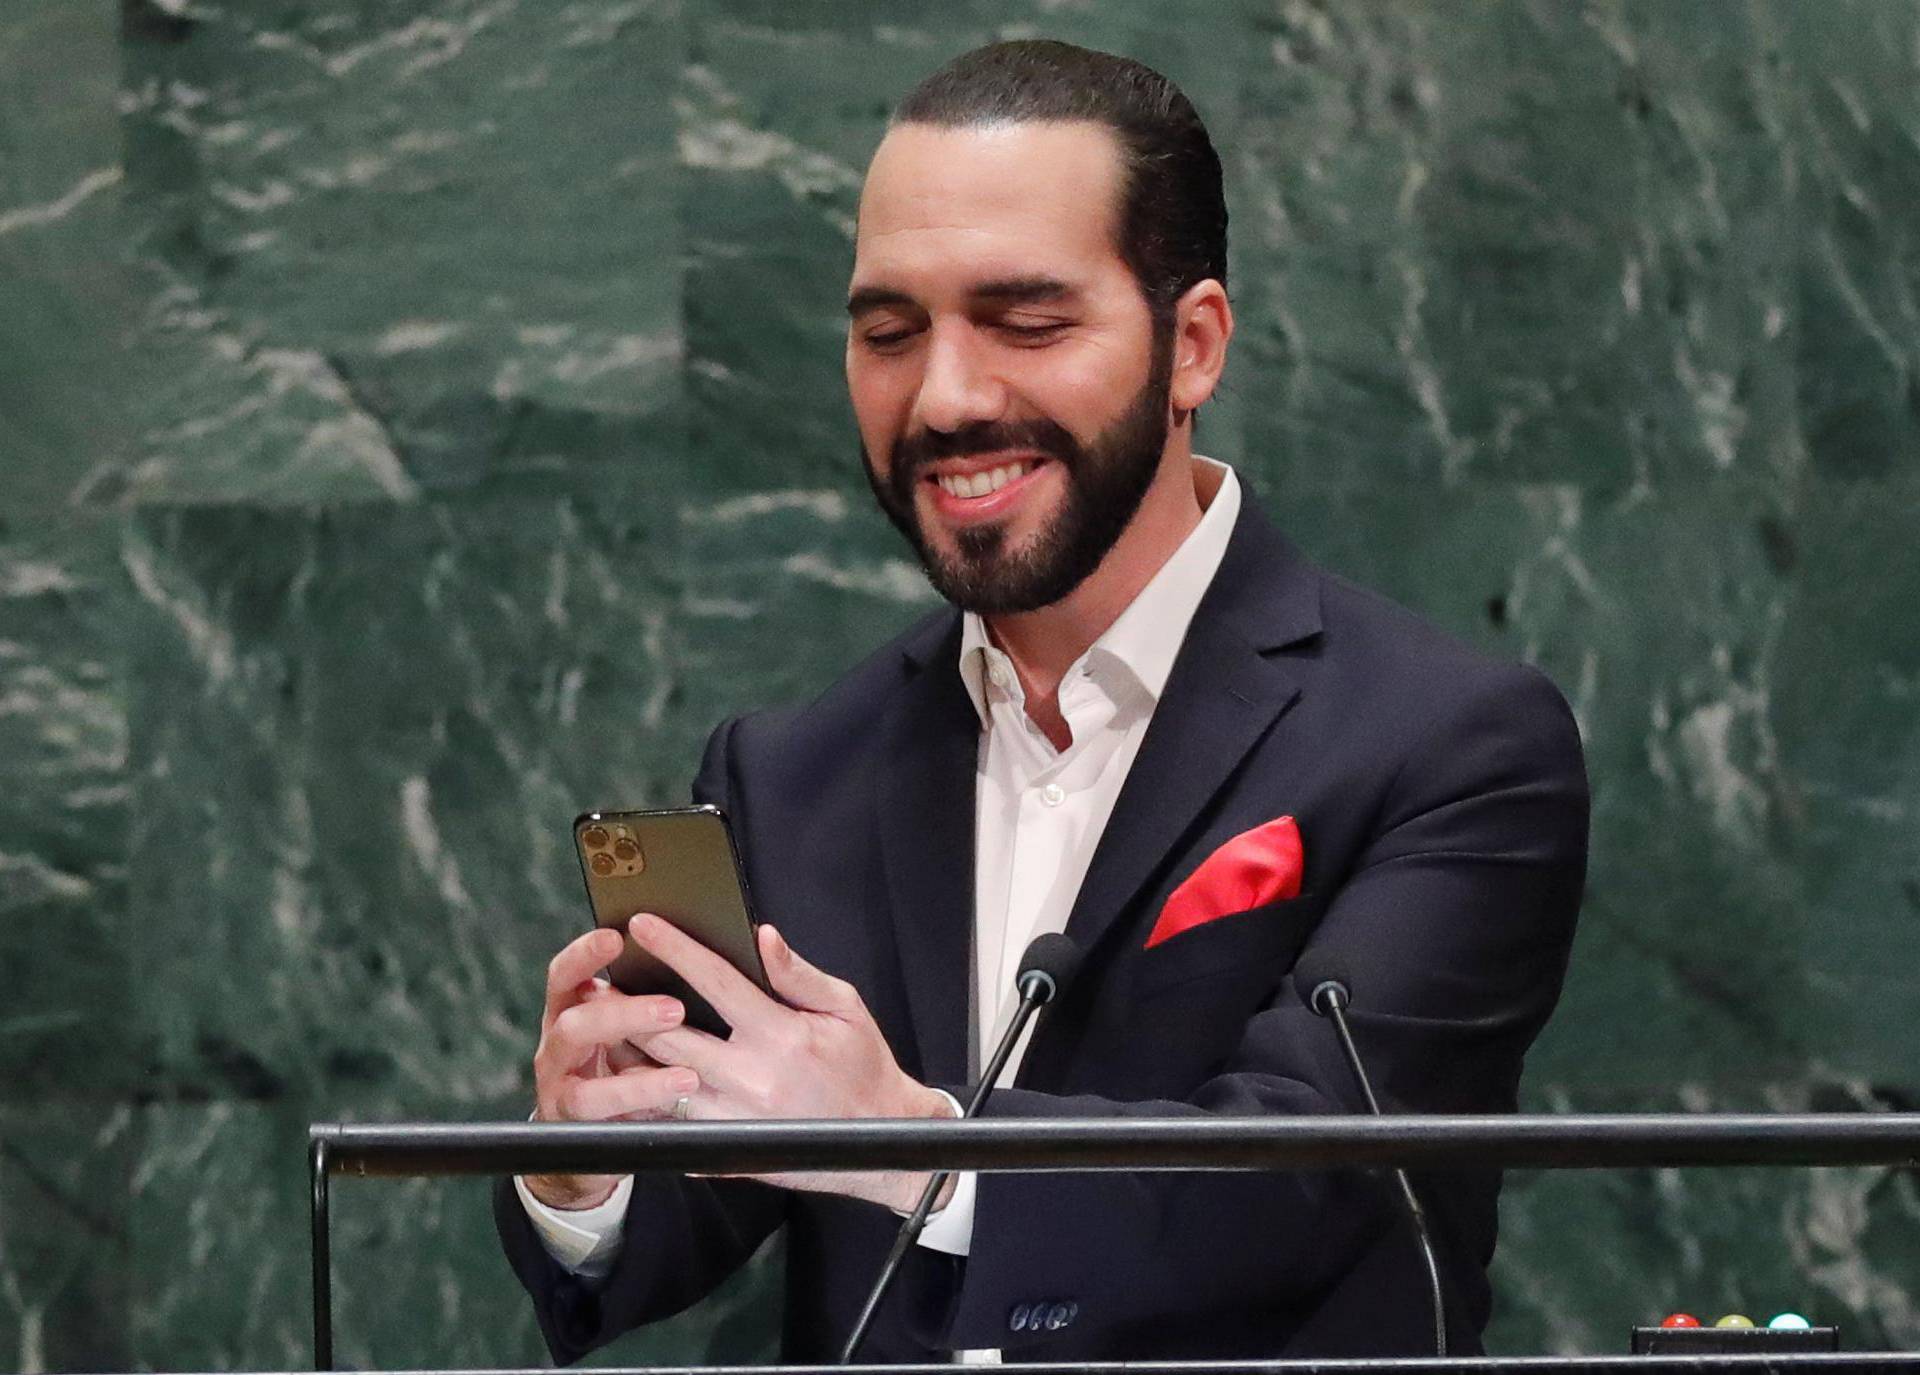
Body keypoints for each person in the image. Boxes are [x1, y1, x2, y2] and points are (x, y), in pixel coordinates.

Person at [495, 39, 1588, 1363]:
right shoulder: (789, 771)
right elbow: (686, 1225)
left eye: (1027, 323)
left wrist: (912, 1148)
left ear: (1191, 346)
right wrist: (579, 1167)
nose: (947, 395)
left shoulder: (1451, 742)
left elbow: (1311, 1182)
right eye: (890, 332)